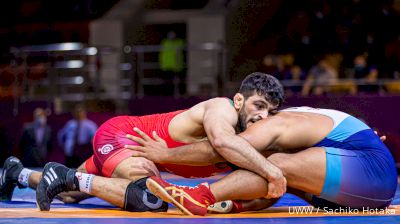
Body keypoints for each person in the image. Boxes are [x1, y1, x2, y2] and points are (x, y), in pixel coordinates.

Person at [1, 72, 286, 212]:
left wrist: (240, 205)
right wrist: (272, 170)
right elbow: (221, 144)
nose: (262, 116)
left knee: (68, 194)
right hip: (125, 137)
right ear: (239, 100)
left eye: (270, 112)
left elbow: (257, 191)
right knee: (149, 197)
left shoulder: (250, 139)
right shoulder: (221, 109)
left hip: (131, 150)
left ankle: (16, 174)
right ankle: (64, 175)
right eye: (258, 105)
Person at [142, 106, 397, 215]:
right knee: (269, 169)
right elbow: (275, 189)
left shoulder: (281, 122)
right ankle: (233, 205)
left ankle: (200, 195)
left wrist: (164, 155)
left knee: (271, 164)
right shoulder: (301, 122)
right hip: (352, 194)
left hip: (371, 176)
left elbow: (223, 146)